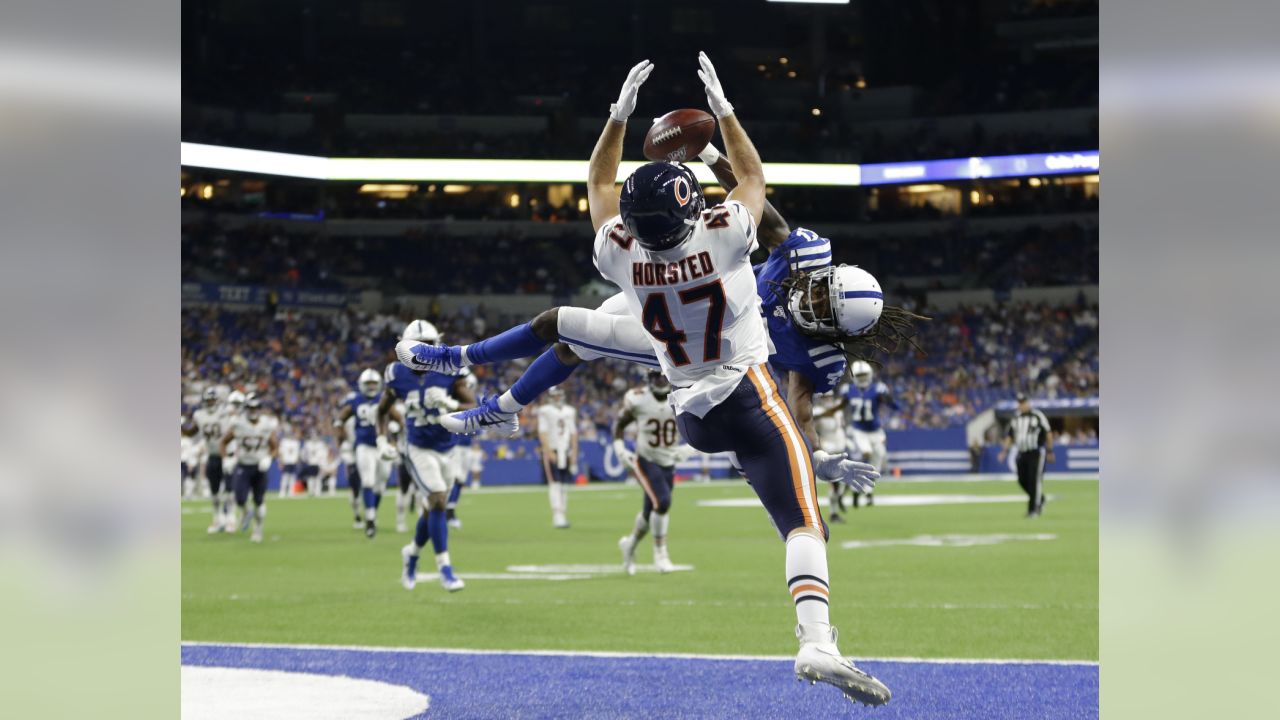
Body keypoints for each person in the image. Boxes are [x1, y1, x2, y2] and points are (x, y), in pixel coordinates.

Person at [398, 54, 890, 705]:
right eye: (823, 293)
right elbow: (754, 183)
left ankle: (480, 379)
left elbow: (602, 184)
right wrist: (721, 126)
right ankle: (816, 641)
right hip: (733, 387)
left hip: (684, 388)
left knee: (570, 327)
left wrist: (620, 118)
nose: (816, 300)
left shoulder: (622, 251)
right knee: (803, 521)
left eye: (827, 306)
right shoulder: (735, 240)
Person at [380, 320, 503, 593]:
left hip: (447, 447)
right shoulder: (396, 374)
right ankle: (445, 568)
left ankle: (411, 553)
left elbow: (474, 406)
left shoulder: (450, 371)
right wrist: (381, 439)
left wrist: (450, 404)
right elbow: (382, 409)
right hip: (417, 446)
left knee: (431, 508)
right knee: (437, 501)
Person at [614, 371, 687, 574]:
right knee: (662, 502)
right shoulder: (638, 398)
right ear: (649, 378)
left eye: (664, 376)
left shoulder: (682, 394)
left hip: (668, 460)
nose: (661, 380)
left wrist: (690, 448)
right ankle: (660, 554)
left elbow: (700, 424)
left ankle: (629, 544)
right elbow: (619, 426)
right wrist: (620, 450)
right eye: (657, 376)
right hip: (646, 459)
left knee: (650, 512)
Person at [822, 360, 899, 513]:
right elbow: (841, 406)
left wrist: (888, 398)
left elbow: (892, 405)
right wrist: (828, 412)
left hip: (875, 430)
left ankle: (864, 489)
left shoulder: (878, 389)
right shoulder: (848, 390)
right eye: (860, 375)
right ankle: (858, 485)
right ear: (854, 376)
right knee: (866, 453)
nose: (863, 378)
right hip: (859, 430)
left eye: (864, 374)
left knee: (880, 456)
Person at [337, 368, 399, 538]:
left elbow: (399, 419)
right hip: (364, 445)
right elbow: (340, 418)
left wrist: (395, 435)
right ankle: (370, 520)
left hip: (383, 446)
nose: (371, 387)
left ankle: (372, 511)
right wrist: (339, 435)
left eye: (373, 383)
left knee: (381, 485)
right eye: (368, 384)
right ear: (361, 385)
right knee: (368, 481)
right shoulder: (356, 400)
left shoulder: (384, 398)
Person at [219, 395, 277, 543]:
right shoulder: (239, 424)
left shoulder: (266, 425)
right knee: (239, 498)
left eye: (255, 408)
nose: (253, 411)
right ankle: (245, 512)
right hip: (243, 465)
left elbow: (274, 446)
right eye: (250, 408)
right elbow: (223, 442)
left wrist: (269, 458)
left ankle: (258, 529)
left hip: (259, 467)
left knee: (259, 501)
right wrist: (226, 458)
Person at [998, 393, 1054, 517]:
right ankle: (1040, 499)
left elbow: (1048, 433)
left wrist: (1050, 451)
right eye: (1019, 403)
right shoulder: (1016, 418)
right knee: (1022, 480)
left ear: (1028, 403)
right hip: (1022, 452)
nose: (1021, 405)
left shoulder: (1038, 415)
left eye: (1023, 402)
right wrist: (1004, 451)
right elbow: (1010, 436)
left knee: (1034, 480)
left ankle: (1034, 509)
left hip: (1036, 452)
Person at [536, 386, 578, 529]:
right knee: (555, 483)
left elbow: (573, 433)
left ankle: (563, 513)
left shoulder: (570, 411)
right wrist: (548, 451)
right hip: (553, 449)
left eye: (559, 396)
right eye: (555, 396)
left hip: (565, 450)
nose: (557, 398)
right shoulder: (545, 411)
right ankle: (557, 515)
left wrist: (574, 453)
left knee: (565, 484)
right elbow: (542, 432)